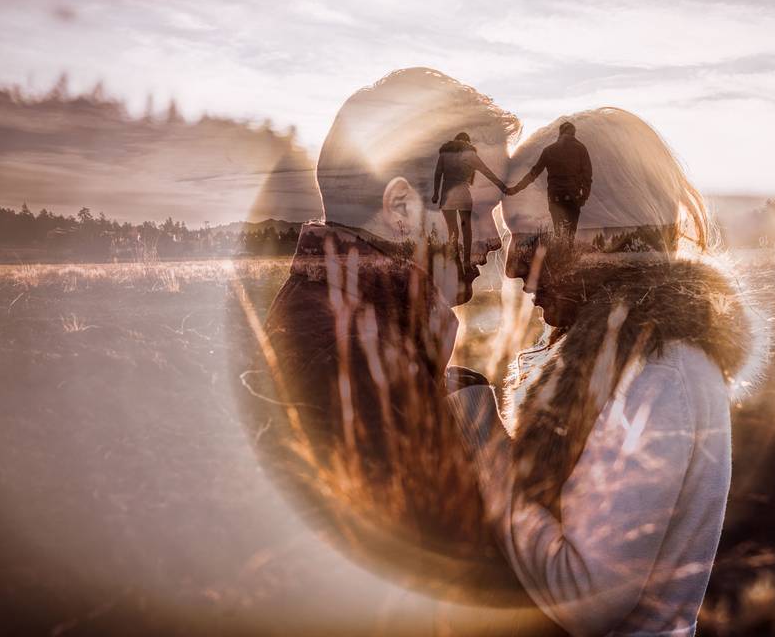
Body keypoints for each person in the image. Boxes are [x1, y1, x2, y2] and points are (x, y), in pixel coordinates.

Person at [239, 69, 565, 631]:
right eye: (478, 210)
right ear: (402, 209)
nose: (494, 240)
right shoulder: (349, 359)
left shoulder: (357, 327)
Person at [446, 108, 769, 637]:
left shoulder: (662, 370)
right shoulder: (607, 349)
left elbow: (585, 598)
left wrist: (482, 435)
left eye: (531, 235)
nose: (511, 266)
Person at [505, 120, 592, 238]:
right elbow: (587, 176)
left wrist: (515, 189)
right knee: (570, 233)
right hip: (573, 195)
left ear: (560, 133)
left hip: (554, 196)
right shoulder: (581, 149)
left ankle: (559, 252)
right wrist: (584, 196)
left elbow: (533, 174)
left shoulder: (549, 150)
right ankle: (568, 252)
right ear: (573, 133)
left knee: (559, 231)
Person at [433, 131, 507, 265]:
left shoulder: (444, 154)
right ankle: (466, 261)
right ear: (467, 142)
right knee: (466, 230)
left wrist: (435, 194)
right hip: (462, 194)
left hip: (446, 195)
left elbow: (438, 174)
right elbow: (486, 171)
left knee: (452, 230)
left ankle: (455, 262)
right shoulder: (470, 154)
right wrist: (502, 186)